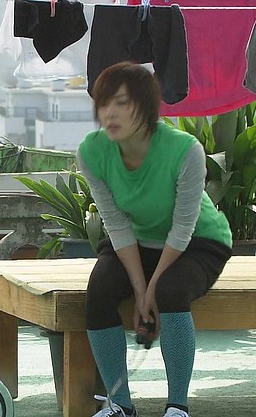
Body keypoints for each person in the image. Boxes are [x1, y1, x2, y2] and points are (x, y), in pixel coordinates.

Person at [77, 62, 233, 417]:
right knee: (99, 290)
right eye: (104, 103)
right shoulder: (92, 151)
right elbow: (115, 223)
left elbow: (183, 226)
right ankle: (120, 405)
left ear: (146, 106)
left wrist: (151, 291)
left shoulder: (184, 149)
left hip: (198, 241)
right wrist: (138, 288)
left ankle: (178, 407)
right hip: (137, 240)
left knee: (170, 291)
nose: (109, 113)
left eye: (121, 103)